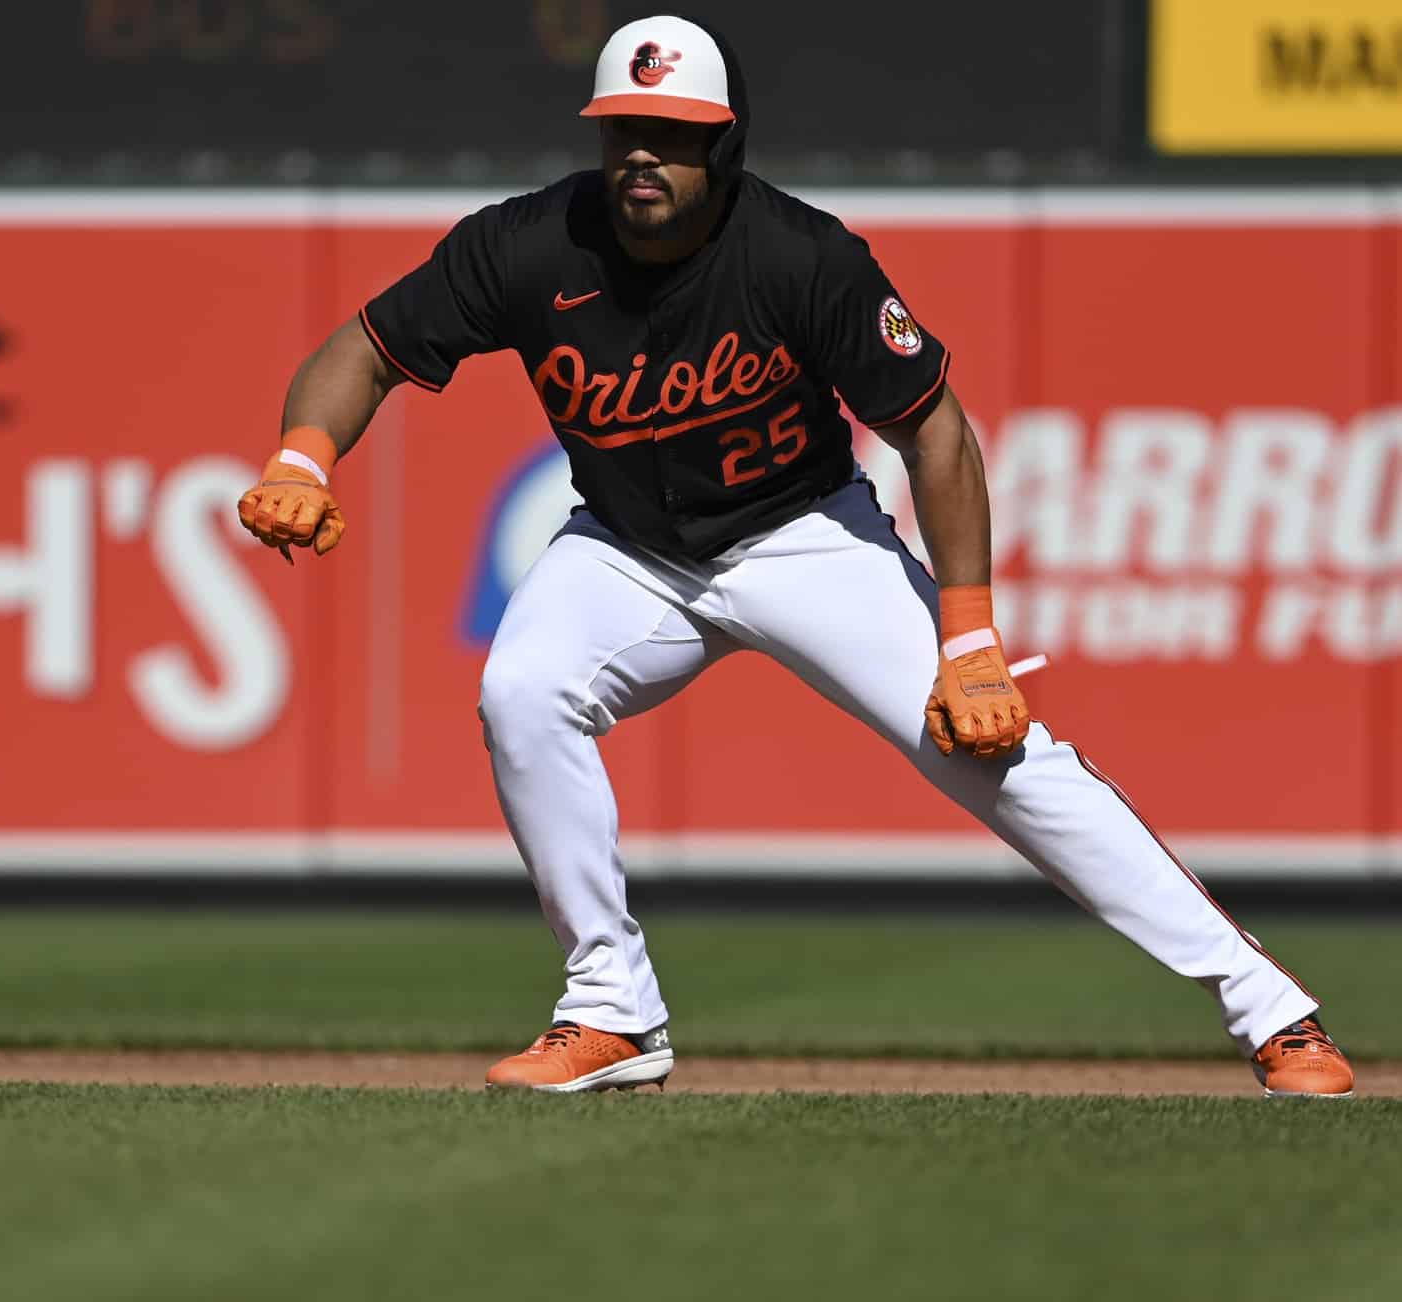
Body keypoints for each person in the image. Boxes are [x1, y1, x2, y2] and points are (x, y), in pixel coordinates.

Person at [236, 14, 1354, 1098]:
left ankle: (1269, 1010)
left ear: (724, 143)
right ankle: (611, 1009)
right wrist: (301, 457)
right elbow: (364, 350)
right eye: (624, 129)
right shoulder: (528, 244)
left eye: (673, 134)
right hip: (628, 548)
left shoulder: (800, 255)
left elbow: (935, 433)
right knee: (523, 693)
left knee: (998, 757)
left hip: (804, 534)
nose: (642, 155)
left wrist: (969, 638)